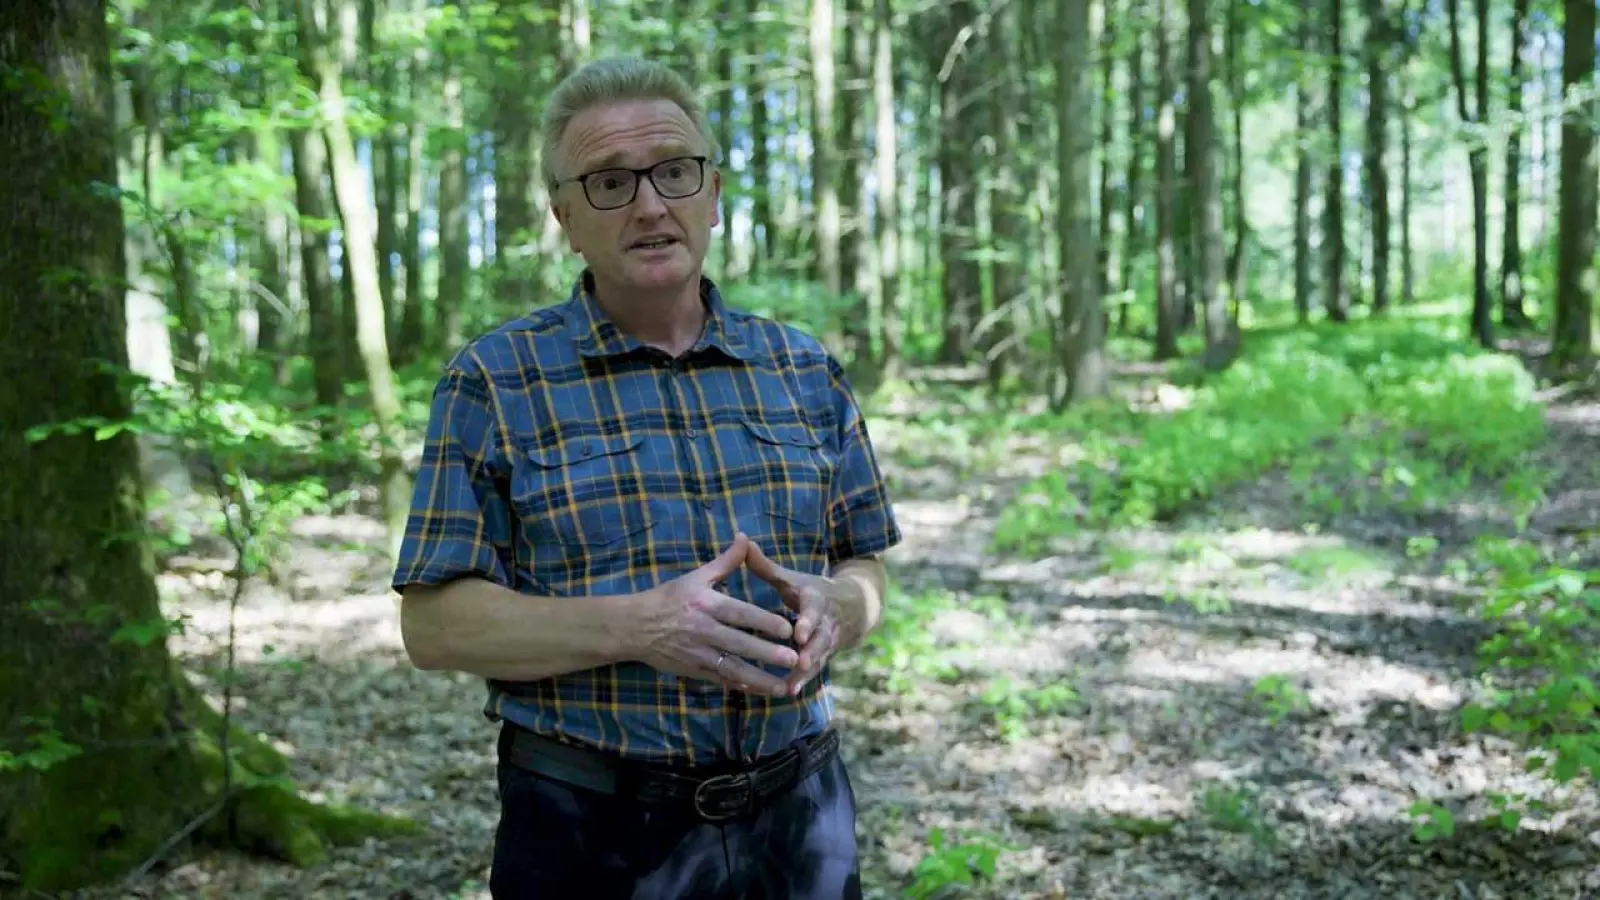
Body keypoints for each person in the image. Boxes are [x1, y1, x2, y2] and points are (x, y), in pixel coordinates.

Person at [390, 55, 902, 900]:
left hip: (802, 818)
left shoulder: (806, 371)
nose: (650, 204)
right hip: (591, 828)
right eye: (609, 182)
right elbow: (435, 627)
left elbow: (866, 565)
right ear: (564, 215)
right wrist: (641, 628)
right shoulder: (495, 380)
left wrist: (839, 608)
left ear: (713, 191)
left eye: (674, 171)